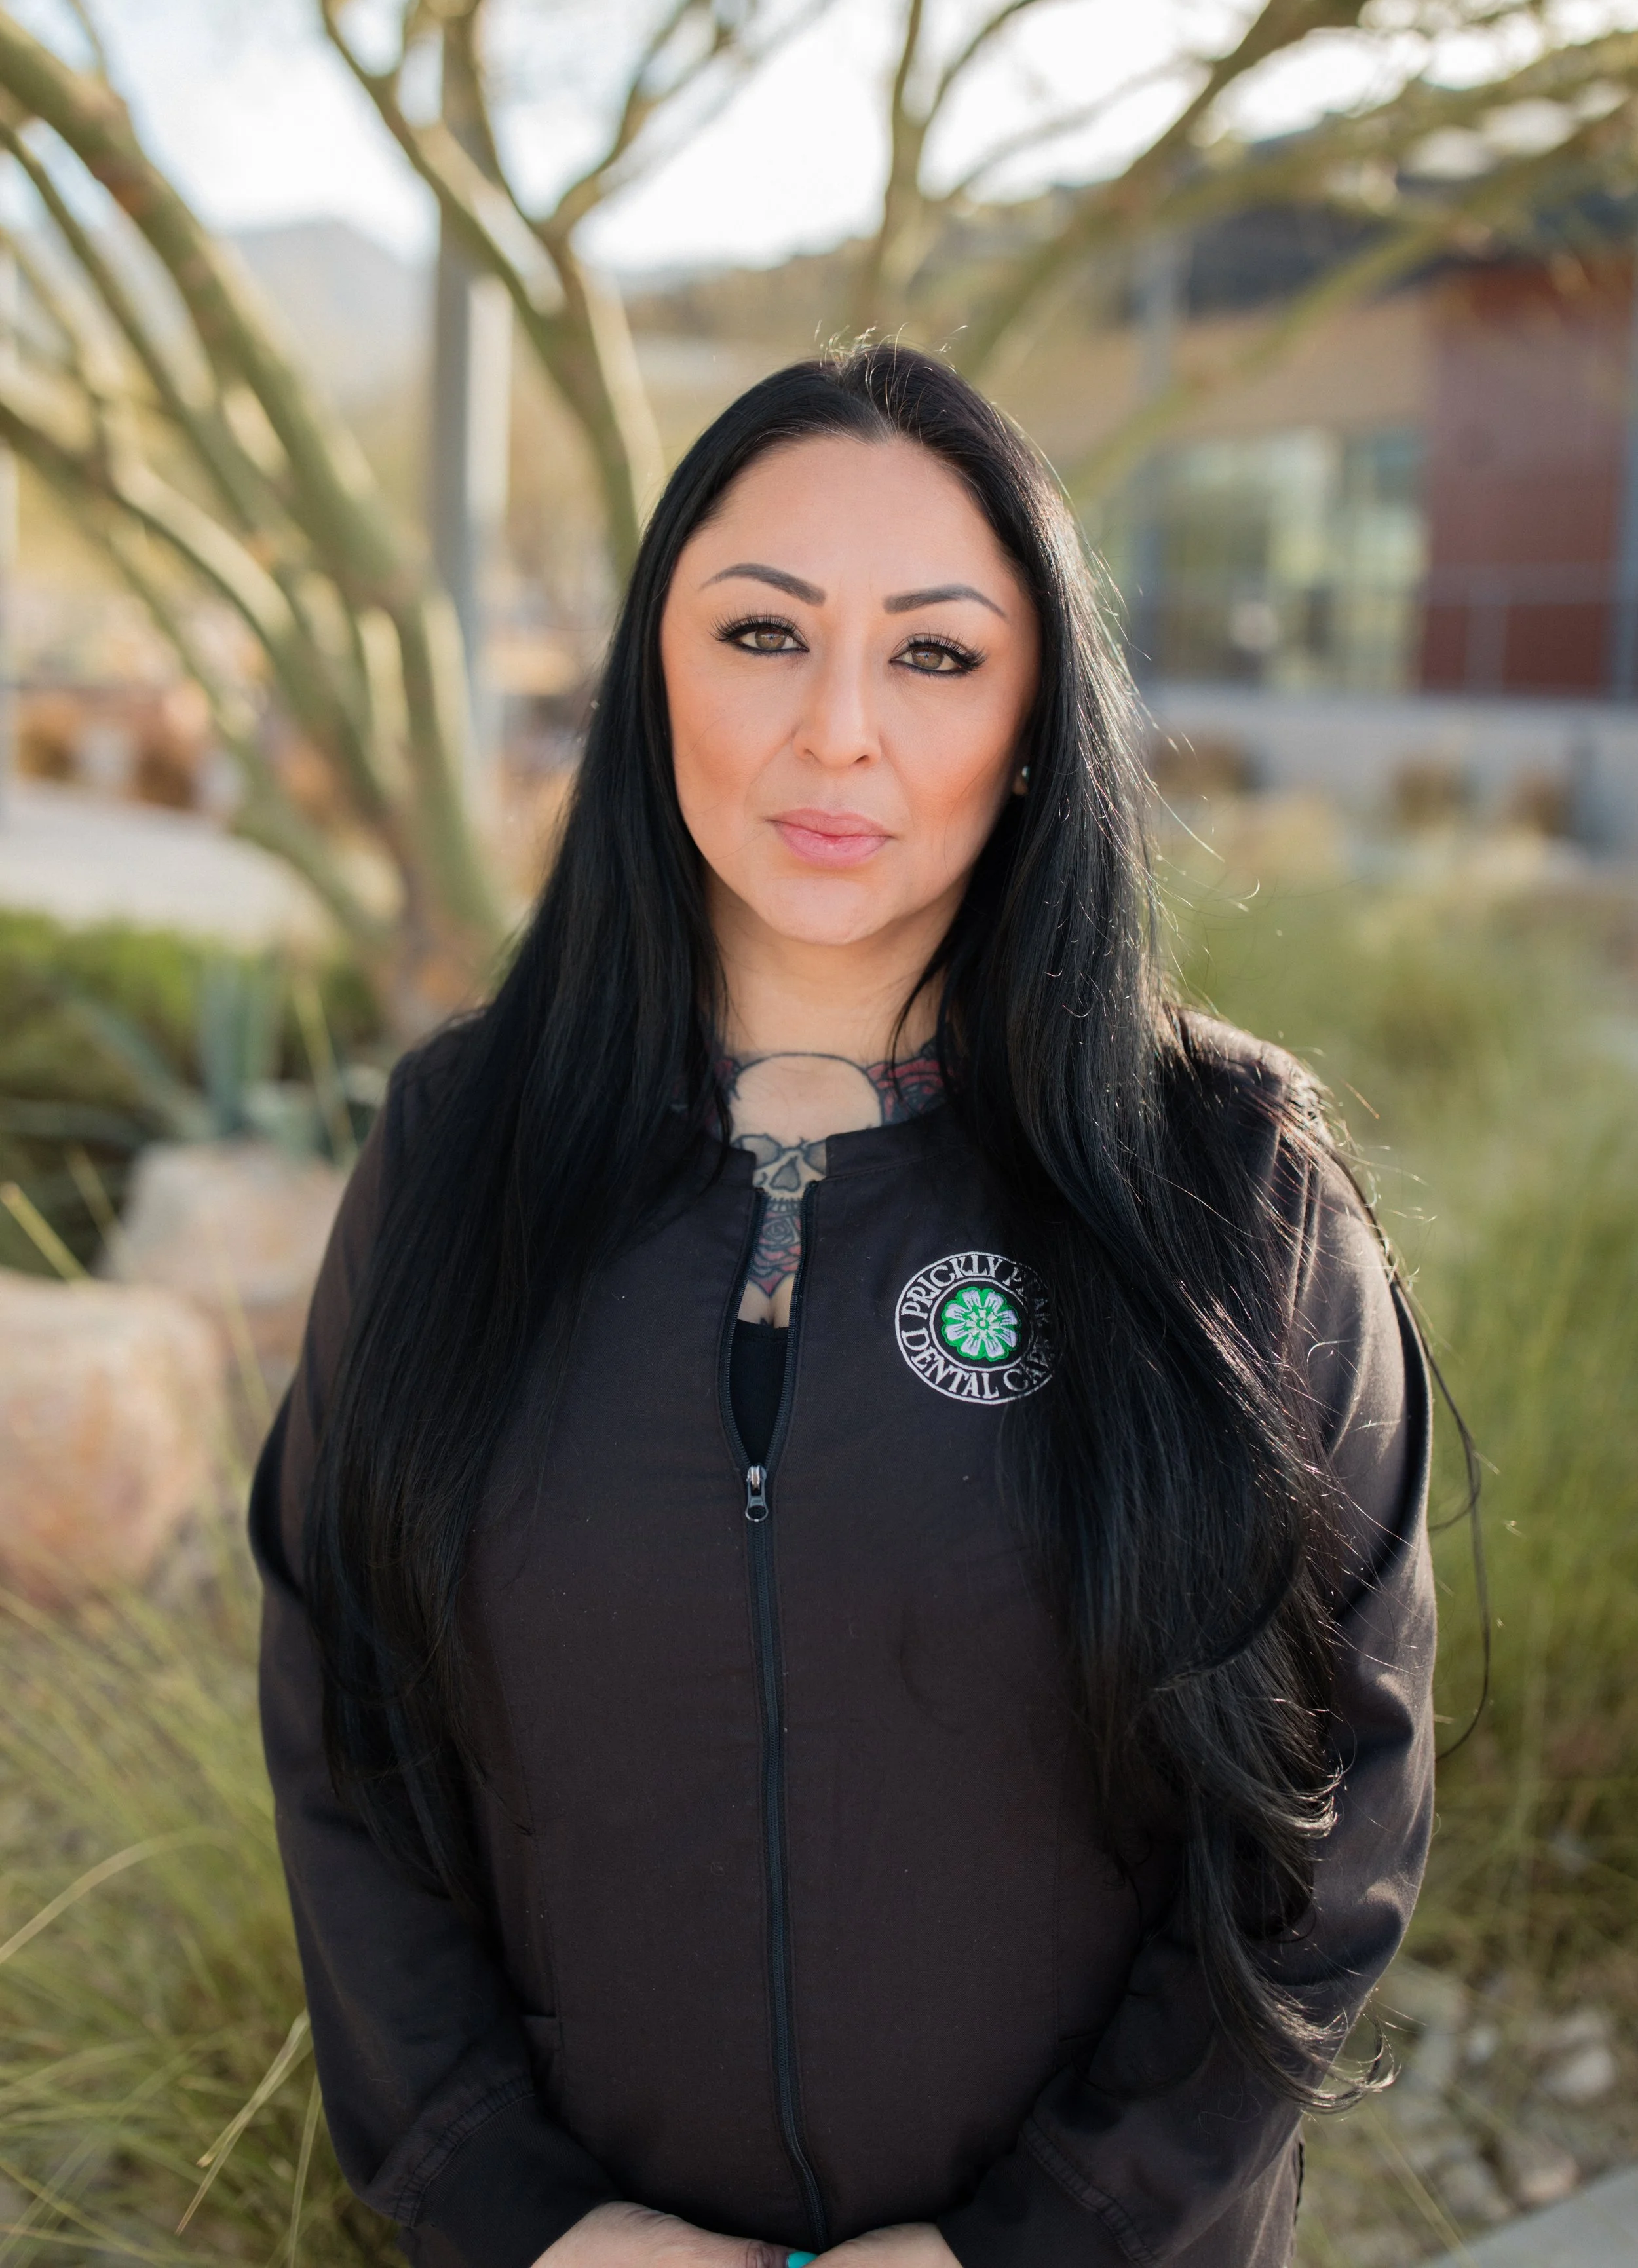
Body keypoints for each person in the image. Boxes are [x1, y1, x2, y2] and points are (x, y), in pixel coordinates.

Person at [252, 345, 1436, 2268]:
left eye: (934, 654)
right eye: (760, 633)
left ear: (1039, 713)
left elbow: (1331, 1805)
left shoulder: (1224, 1183)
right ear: (651, 674)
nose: (835, 736)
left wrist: (1029, 2242)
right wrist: (523, 2212)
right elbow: (347, 1726)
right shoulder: (457, 1153)